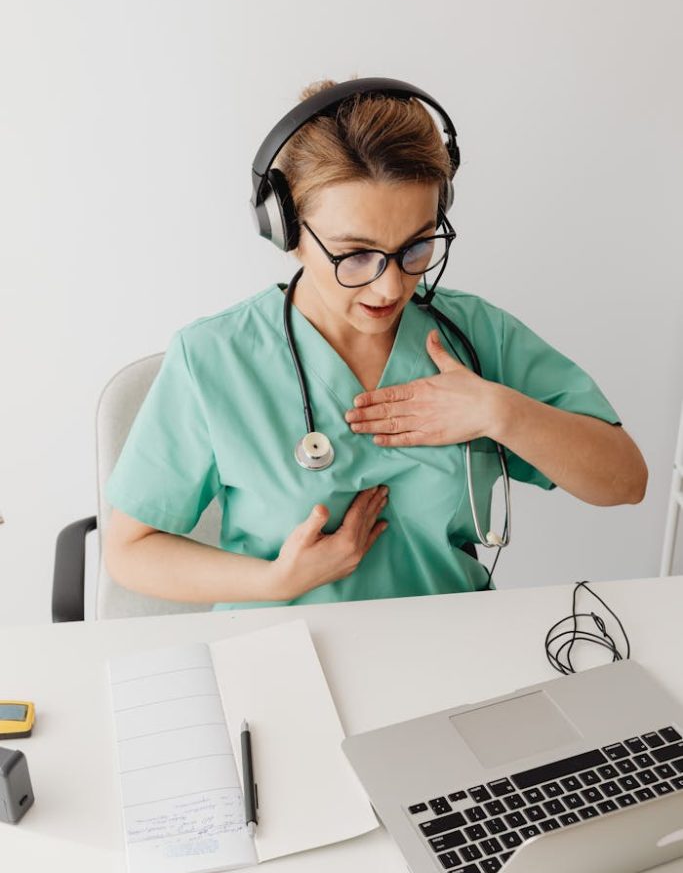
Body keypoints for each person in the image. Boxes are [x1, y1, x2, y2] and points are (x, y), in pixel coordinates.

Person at [103, 77, 648, 611]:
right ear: (287, 231)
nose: (391, 287)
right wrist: (275, 581)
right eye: (355, 254)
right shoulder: (214, 360)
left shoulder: (476, 337)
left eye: (416, 247)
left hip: (449, 647)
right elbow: (129, 552)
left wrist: (498, 410)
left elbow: (625, 481)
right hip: (282, 657)